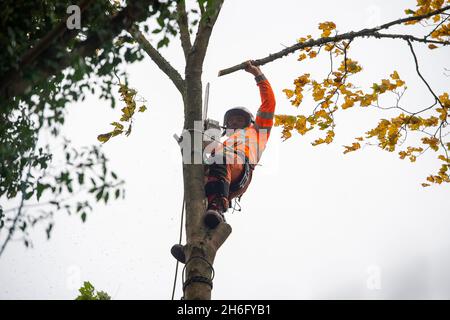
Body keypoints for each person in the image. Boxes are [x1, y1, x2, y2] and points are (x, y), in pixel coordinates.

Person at [171, 61, 276, 263]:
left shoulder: (258, 131)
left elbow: (269, 104)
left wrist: (258, 74)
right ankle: (193, 244)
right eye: (231, 120)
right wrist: (190, 145)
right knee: (196, 187)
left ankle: (218, 207)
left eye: (239, 119)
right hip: (218, 176)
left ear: (249, 121)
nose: (234, 122)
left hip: (240, 170)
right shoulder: (220, 143)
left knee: (220, 158)